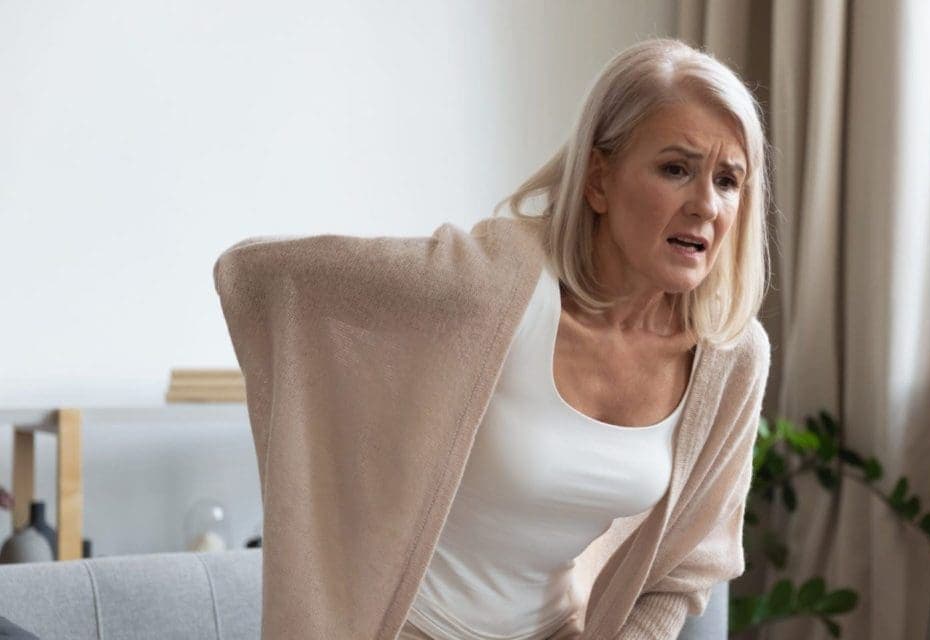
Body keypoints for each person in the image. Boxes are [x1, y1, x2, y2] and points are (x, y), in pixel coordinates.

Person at [213, 36, 772, 640]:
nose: (706, 206)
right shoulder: (493, 288)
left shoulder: (730, 358)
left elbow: (686, 568)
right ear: (598, 180)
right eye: (675, 169)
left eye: (728, 181)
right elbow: (256, 275)